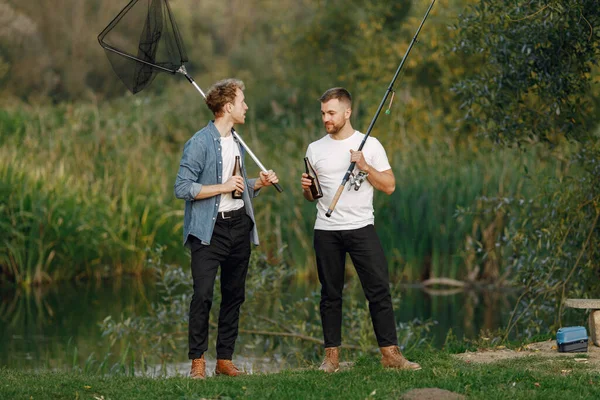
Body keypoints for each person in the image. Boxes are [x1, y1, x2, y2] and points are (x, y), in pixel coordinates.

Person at [300, 87, 421, 372]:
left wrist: (364, 166)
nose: (326, 119)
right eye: (323, 113)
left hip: (361, 228)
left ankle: (391, 355)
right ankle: (331, 359)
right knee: (330, 295)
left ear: (347, 112)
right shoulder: (314, 149)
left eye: (331, 113)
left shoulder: (370, 145)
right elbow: (311, 196)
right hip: (326, 229)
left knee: (378, 290)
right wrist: (307, 189)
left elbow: (389, 186)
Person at [174, 78, 279, 379]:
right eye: (242, 101)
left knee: (234, 295)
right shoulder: (198, 143)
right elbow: (182, 187)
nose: (246, 106)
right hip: (208, 232)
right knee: (203, 295)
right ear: (228, 106)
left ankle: (224, 360)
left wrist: (256, 184)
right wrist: (221, 187)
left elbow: (237, 189)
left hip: (238, 227)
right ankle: (197, 362)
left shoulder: (238, 142)